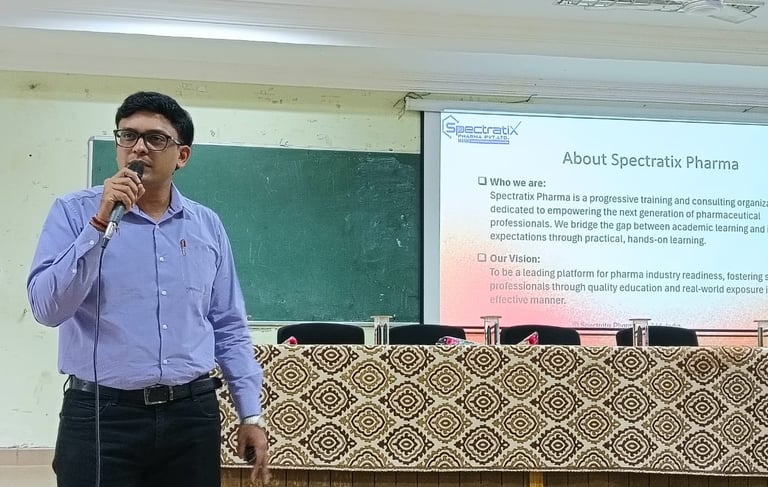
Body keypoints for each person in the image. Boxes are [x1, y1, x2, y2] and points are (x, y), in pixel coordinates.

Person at [27, 91, 270, 487]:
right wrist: (99, 224)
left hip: (191, 415)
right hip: (101, 414)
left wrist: (251, 414)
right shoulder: (73, 213)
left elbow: (228, 325)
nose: (138, 147)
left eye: (155, 138)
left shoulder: (207, 225)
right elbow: (47, 309)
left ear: (182, 155)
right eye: (128, 135)